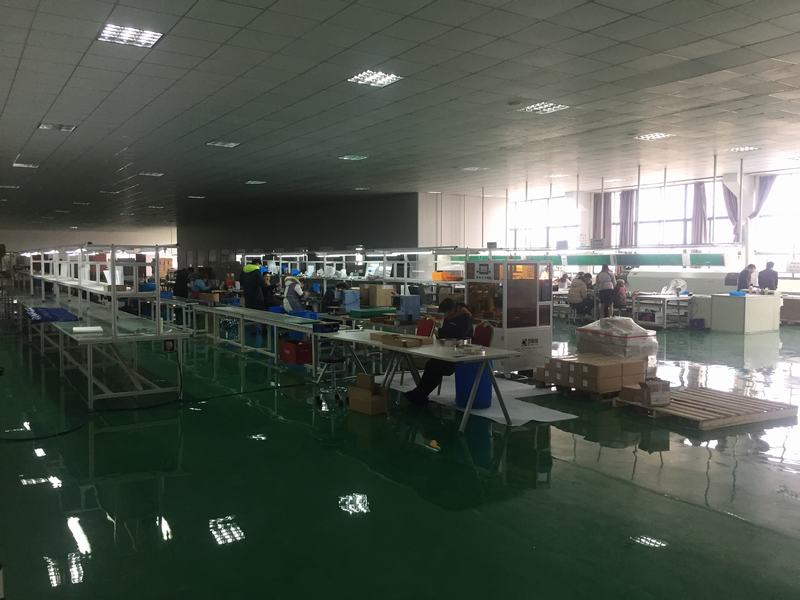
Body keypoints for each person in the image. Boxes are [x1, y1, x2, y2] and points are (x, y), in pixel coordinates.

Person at [404, 299, 473, 405]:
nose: (445, 316)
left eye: (446, 313)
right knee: (431, 364)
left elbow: (458, 334)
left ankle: (420, 393)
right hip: (447, 351)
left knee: (436, 366)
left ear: (453, 310)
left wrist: (440, 331)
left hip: (460, 355)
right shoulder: (450, 317)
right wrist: (439, 332)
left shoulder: (465, 318)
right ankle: (420, 392)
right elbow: (445, 333)